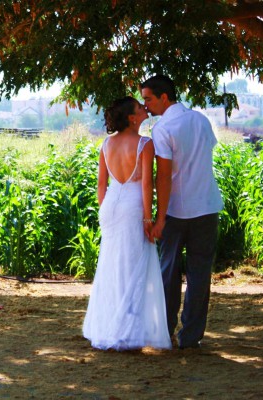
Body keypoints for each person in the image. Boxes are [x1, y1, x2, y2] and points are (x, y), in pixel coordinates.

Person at [82, 96, 172, 351]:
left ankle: (110, 326)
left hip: (110, 205)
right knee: (133, 265)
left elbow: (101, 185)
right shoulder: (145, 144)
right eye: (139, 107)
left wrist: (106, 213)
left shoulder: (106, 145)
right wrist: (148, 216)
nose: (144, 108)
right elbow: (147, 184)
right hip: (132, 206)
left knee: (112, 265)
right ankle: (127, 332)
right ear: (132, 118)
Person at [140, 75, 224, 349]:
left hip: (177, 210)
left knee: (168, 272)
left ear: (164, 97)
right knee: (200, 273)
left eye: (148, 99)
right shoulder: (201, 120)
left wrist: (160, 218)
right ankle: (191, 336)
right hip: (207, 206)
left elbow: (163, 177)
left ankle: (164, 331)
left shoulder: (163, 129)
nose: (146, 105)